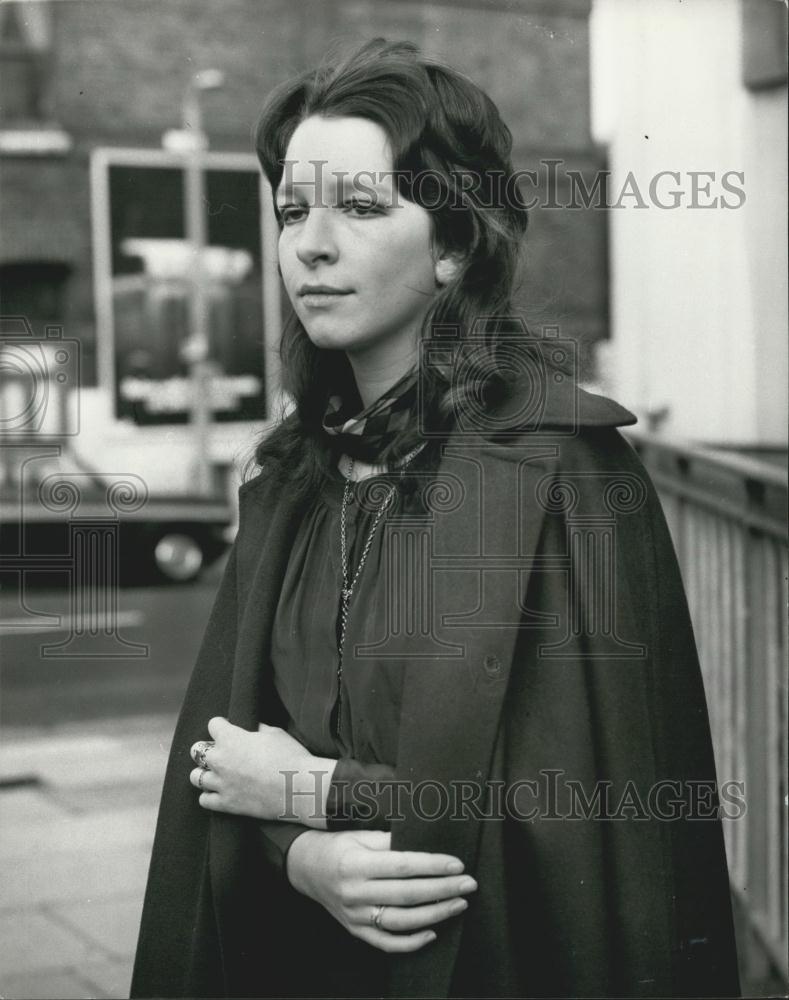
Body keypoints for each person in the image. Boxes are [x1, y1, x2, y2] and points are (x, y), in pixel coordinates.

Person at [131, 38, 741, 999]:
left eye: (362, 208)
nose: (310, 245)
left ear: (456, 246)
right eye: (292, 211)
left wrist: (311, 793)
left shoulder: (557, 470)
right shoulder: (292, 475)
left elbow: (580, 816)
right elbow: (227, 757)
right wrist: (299, 857)